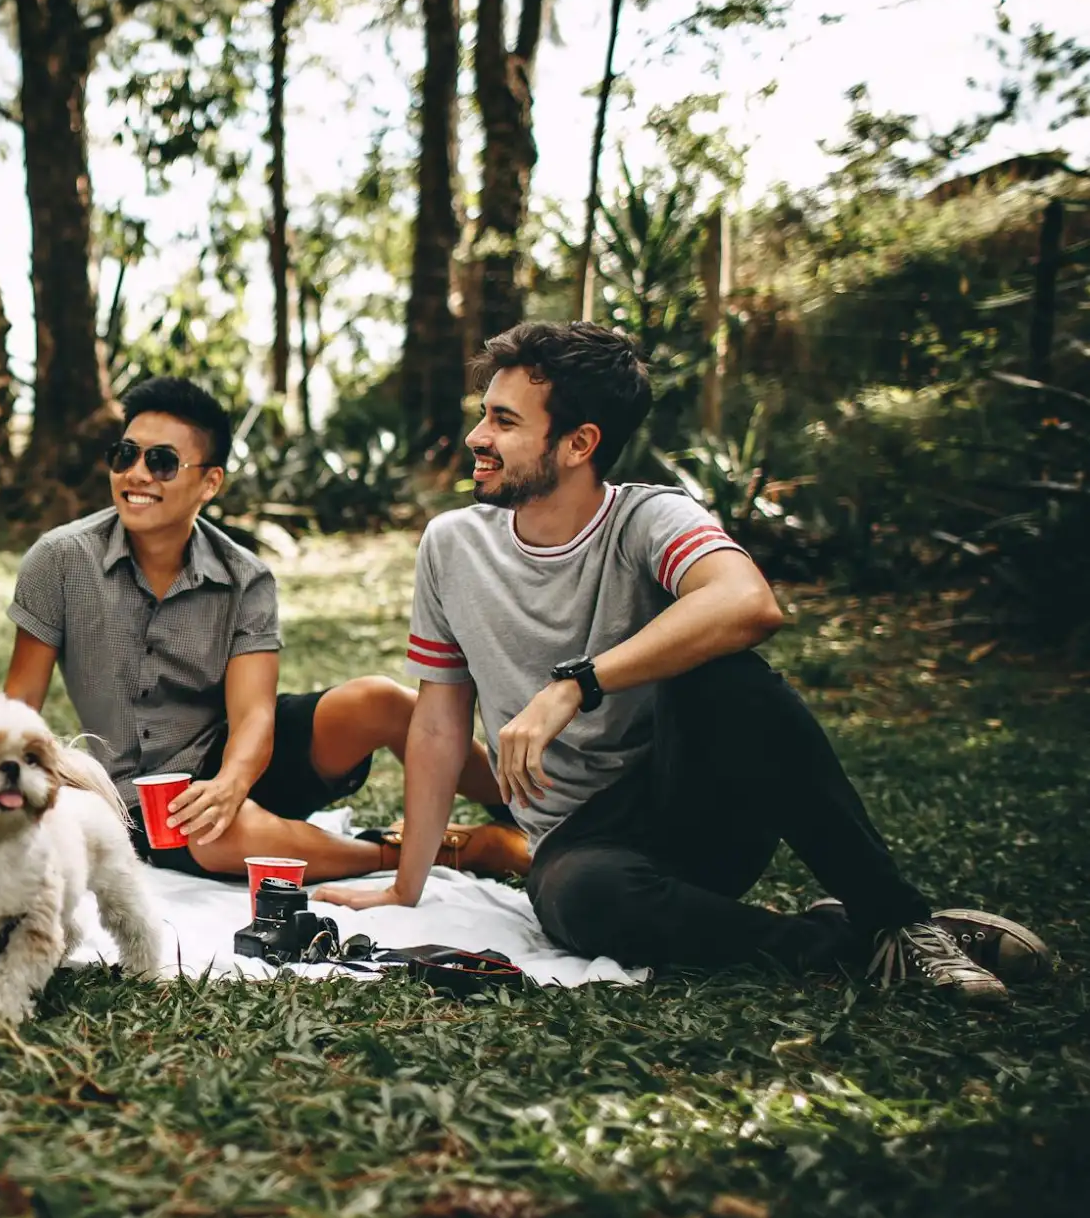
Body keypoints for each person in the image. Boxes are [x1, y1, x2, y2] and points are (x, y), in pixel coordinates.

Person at [317, 321, 1051, 1006]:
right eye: (486, 412)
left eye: (505, 422)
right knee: (582, 901)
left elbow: (748, 602)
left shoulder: (650, 517)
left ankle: (900, 918)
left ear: (579, 443)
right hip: (582, 847)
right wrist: (406, 887)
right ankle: (855, 942)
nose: (477, 435)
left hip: (695, 805)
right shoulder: (452, 546)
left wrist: (578, 683)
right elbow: (441, 725)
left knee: (729, 675)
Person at [3, 374, 526, 882]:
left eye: (161, 462)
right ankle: (439, 852)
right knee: (217, 835)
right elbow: (18, 706)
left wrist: (231, 783)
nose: (137, 474)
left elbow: (254, 714)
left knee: (380, 701)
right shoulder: (60, 561)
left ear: (210, 482)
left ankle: (531, 814)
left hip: (240, 756)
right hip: (143, 798)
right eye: (125, 455)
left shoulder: (245, 577)